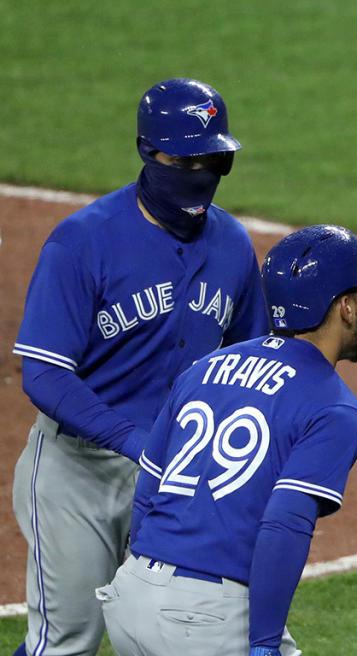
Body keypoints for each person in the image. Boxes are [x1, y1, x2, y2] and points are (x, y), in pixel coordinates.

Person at [10, 78, 267, 656]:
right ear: (148, 151)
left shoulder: (233, 245)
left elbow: (252, 362)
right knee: (68, 641)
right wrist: (134, 438)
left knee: (178, 631)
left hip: (180, 476)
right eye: (186, 158)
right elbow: (44, 375)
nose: (200, 171)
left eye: (214, 159)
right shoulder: (82, 243)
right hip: (78, 472)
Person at [96, 225, 357, 656]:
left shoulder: (204, 368)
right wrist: (265, 643)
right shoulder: (335, 407)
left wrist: (150, 583)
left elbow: (149, 487)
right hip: (205, 620)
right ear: (345, 308)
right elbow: (283, 524)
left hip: (130, 596)